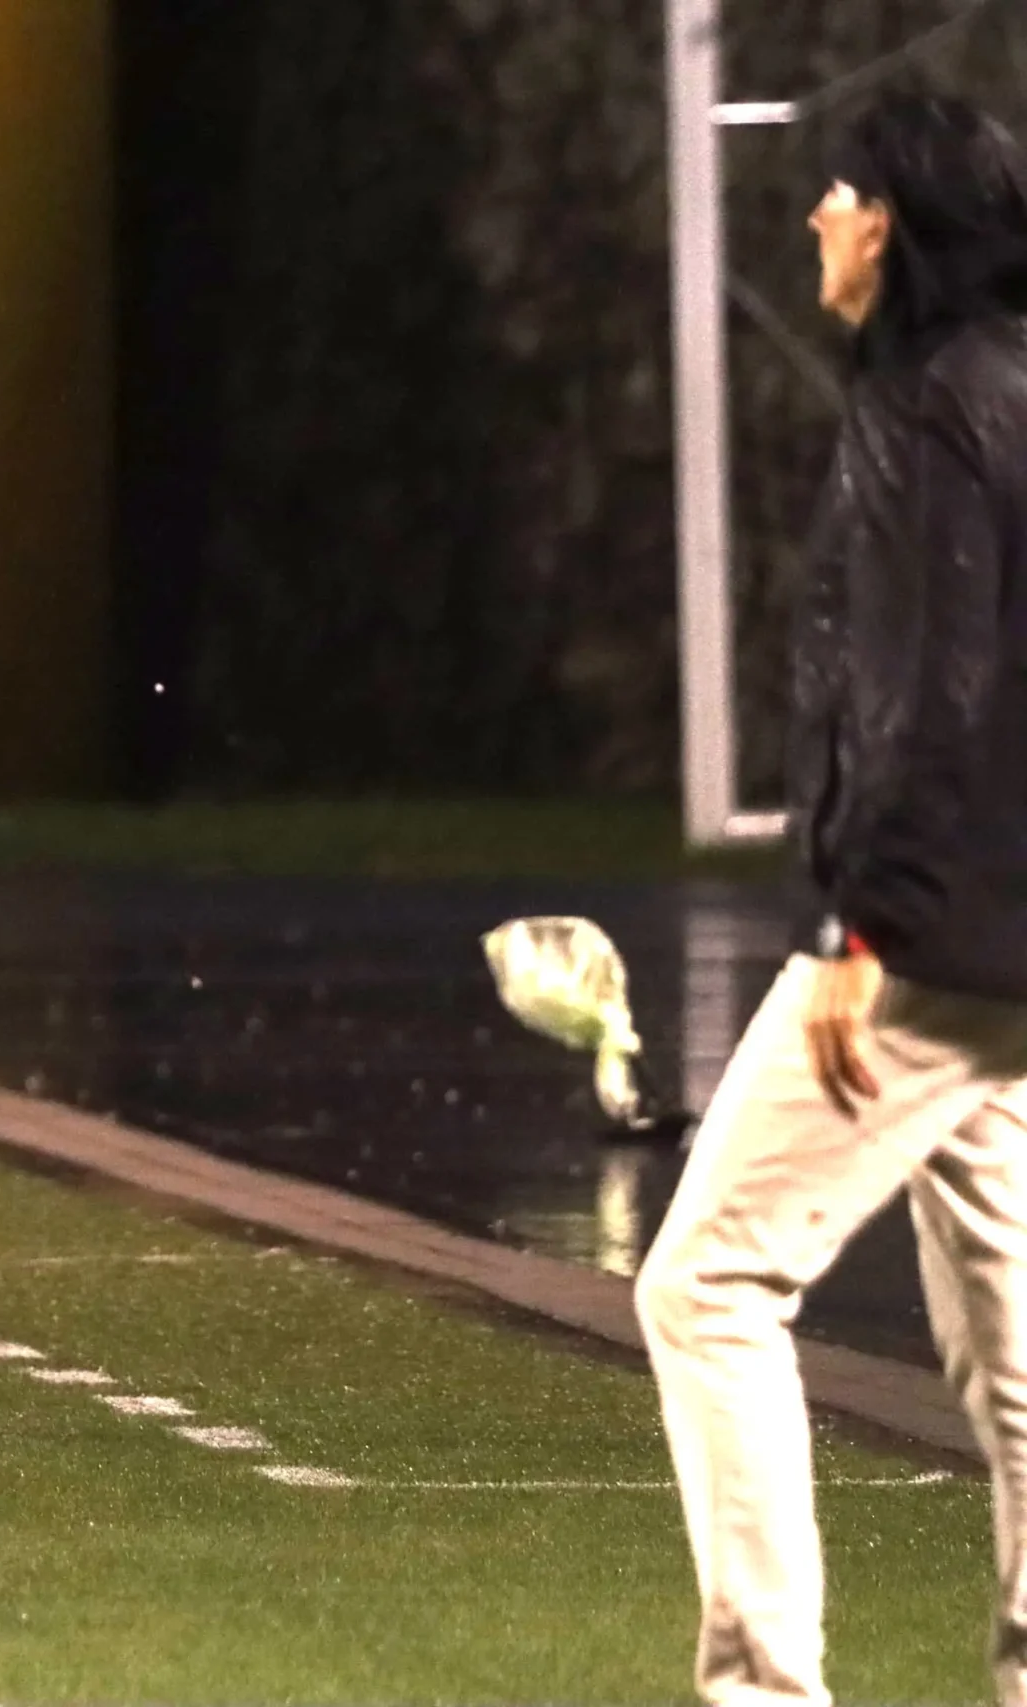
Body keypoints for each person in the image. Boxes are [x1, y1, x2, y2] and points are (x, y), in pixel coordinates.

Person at [635, 93, 1027, 1706]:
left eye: (841, 192)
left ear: (899, 222)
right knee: (1016, 1356)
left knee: (707, 1283)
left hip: (936, 935)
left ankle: (763, 1693)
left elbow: (925, 695)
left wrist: (863, 925)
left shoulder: (932, 406)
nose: (815, 218)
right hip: (1010, 940)